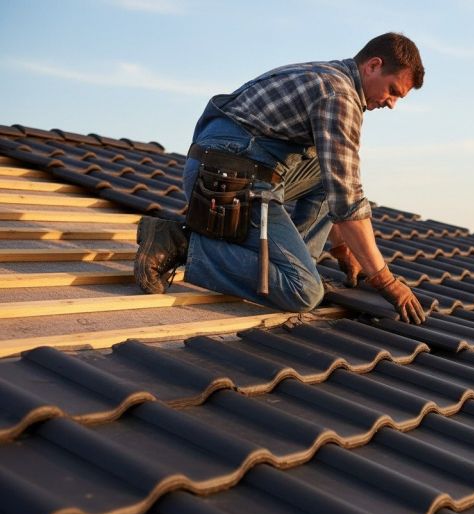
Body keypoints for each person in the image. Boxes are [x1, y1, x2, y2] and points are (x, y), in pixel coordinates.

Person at [134, 32, 426, 324]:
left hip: (231, 164)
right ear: (373, 65)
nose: (391, 104)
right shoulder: (340, 95)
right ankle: (180, 243)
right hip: (225, 174)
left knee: (329, 171)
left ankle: (297, 263)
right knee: (304, 292)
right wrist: (384, 280)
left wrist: (341, 248)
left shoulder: (328, 75)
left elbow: (337, 182)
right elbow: (348, 200)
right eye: (393, 91)